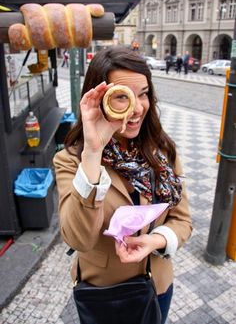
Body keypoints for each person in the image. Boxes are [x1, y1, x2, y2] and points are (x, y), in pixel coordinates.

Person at [53, 46, 192, 324]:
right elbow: (77, 238)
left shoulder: (161, 152)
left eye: (144, 94)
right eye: (123, 96)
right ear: (100, 99)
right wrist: (93, 152)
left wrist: (156, 240)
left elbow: (183, 220)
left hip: (157, 284)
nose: (138, 107)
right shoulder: (71, 161)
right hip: (104, 293)